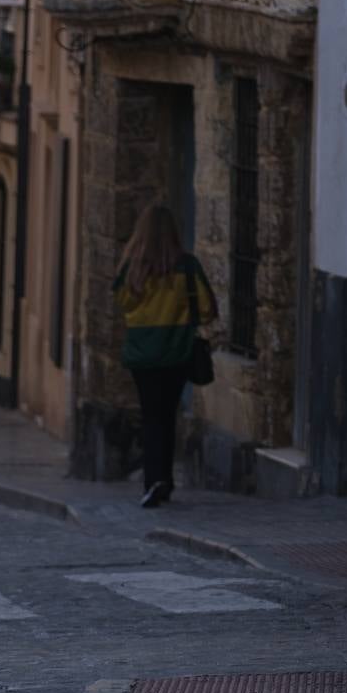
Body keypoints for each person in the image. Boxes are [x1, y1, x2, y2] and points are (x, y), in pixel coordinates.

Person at [113, 204, 216, 508]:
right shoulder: (187, 267)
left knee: (150, 415)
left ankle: (154, 479)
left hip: (143, 355)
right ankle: (164, 480)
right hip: (176, 352)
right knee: (167, 415)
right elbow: (208, 308)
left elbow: (121, 302)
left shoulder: (131, 269)